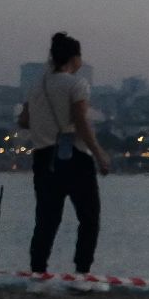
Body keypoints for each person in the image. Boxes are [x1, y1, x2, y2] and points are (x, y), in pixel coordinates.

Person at [17, 31, 112, 282]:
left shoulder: (36, 86)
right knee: (89, 217)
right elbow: (81, 121)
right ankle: (82, 271)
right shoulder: (77, 85)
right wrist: (99, 153)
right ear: (74, 58)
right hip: (74, 157)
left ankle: (37, 271)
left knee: (46, 219)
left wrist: (45, 125)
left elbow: (24, 120)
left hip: (43, 158)